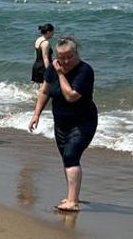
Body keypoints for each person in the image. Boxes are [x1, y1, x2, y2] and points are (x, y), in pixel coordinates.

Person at [28, 37, 96, 212]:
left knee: (71, 154)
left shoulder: (85, 71)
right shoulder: (53, 68)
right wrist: (36, 114)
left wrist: (60, 74)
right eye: (61, 57)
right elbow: (45, 91)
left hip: (83, 122)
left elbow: (71, 96)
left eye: (69, 56)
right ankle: (72, 196)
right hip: (61, 123)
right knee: (67, 157)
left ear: (77, 54)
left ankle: (73, 202)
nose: (65, 61)